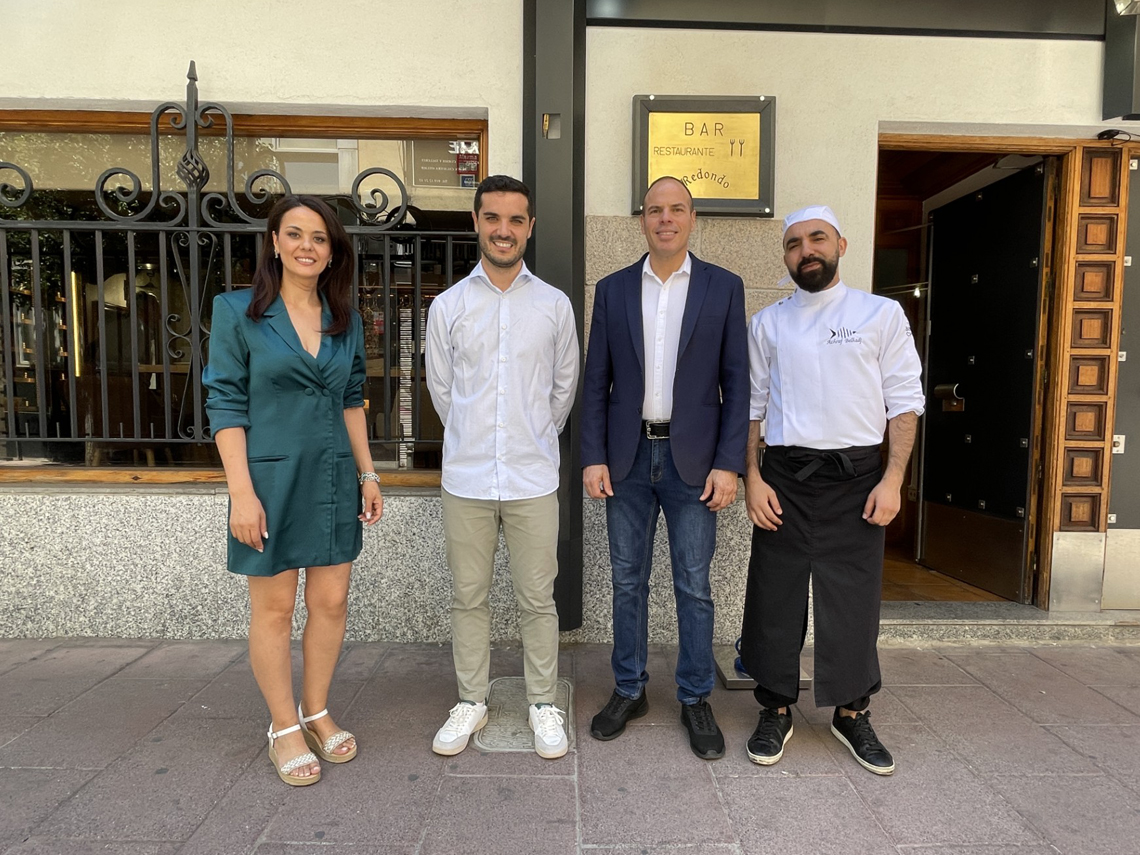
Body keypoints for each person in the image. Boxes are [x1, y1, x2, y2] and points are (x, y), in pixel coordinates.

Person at [204, 195, 383, 787]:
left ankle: (317, 710)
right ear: (275, 243)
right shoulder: (237, 311)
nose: (308, 245)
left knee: (331, 603)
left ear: (333, 252)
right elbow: (224, 402)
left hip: (332, 478)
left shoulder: (344, 318)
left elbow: (352, 399)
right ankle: (283, 726)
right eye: (296, 234)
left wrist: (368, 473)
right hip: (269, 483)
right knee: (275, 609)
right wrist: (241, 493)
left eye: (320, 237)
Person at [740, 205, 924, 776]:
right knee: (774, 597)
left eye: (816, 239)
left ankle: (852, 711)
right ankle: (775, 707)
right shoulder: (768, 323)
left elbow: (905, 401)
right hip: (785, 479)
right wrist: (752, 478)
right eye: (794, 244)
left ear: (841, 244)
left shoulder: (880, 314)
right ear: (786, 256)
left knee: (853, 600)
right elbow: (751, 407)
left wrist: (893, 480)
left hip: (860, 480)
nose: (806, 251)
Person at [581, 175, 749, 760]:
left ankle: (695, 696)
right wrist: (593, 456)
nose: (666, 219)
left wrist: (729, 465)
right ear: (643, 221)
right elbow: (595, 382)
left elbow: (738, 384)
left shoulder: (724, 287)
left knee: (693, 585)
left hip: (694, 463)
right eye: (655, 210)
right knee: (626, 580)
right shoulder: (613, 289)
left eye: (677, 209)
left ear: (692, 218)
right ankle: (629, 689)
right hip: (626, 460)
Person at [425, 175, 579, 760]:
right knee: (469, 596)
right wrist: (474, 435)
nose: (504, 230)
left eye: (516, 220)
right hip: (466, 478)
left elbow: (562, 389)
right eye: (493, 218)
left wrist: (530, 436)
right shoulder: (448, 306)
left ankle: (542, 702)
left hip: (532, 477)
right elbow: (442, 391)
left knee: (538, 598)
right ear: (476, 222)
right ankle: (472, 699)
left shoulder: (554, 305)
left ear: (530, 227)